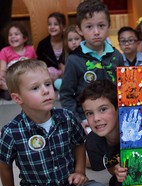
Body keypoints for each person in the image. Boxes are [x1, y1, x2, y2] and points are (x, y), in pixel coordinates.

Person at [0, 59, 109, 186]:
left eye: (48, 84)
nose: (46, 91)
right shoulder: (11, 131)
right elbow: (4, 165)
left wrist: (79, 171)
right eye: (35, 88)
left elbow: (79, 144)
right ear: (18, 98)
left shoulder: (67, 118)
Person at [59, 0, 124, 128]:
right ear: (79, 30)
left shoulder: (117, 56)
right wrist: (77, 120)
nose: (96, 32)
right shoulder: (74, 60)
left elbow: (123, 89)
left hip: (115, 118)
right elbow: (66, 95)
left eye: (101, 25)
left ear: (109, 26)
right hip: (86, 121)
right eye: (89, 27)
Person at [79, 80, 127, 186]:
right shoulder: (93, 142)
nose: (96, 118)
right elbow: (109, 165)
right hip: (121, 173)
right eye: (89, 113)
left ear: (118, 108)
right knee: (115, 185)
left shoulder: (133, 127)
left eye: (103, 109)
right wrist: (116, 170)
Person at [0, 22, 37, 100]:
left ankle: (13, 89)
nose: (13, 36)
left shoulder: (31, 50)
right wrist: (2, 77)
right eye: (10, 35)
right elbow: (2, 70)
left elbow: (35, 66)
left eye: (16, 34)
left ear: (25, 38)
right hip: (11, 78)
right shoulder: (4, 51)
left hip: (27, 78)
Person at [36, 12, 66, 81]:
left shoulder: (68, 42)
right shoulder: (42, 45)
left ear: (63, 27)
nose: (52, 27)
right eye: (49, 24)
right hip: (49, 79)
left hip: (67, 77)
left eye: (56, 24)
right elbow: (39, 64)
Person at [54, 24, 83, 90]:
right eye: (70, 40)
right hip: (70, 80)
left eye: (77, 39)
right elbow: (61, 65)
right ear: (66, 42)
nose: (74, 42)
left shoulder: (85, 53)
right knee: (57, 82)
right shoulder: (66, 53)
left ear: (82, 39)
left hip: (82, 80)